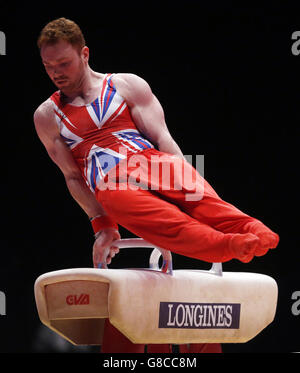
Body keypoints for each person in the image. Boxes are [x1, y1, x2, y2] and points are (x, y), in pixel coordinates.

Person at [33, 18, 279, 353]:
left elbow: (164, 139)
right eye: (49, 66)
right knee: (165, 223)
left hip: (147, 161)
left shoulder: (126, 86)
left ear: (85, 54)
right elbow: (73, 176)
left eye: (64, 63)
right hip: (110, 182)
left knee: (197, 194)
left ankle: (249, 227)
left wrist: (189, 184)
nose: (56, 72)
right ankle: (228, 244)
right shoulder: (47, 116)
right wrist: (103, 225)